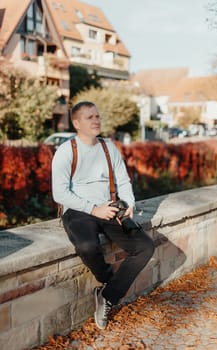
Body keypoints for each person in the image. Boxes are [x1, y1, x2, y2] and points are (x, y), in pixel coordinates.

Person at [52, 101, 155, 329]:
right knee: (88, 246)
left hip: (109, 208)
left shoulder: (108, 147)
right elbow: (59, 192)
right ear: (77, 123)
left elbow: (123, 180)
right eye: (89, 117)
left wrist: (128, 203)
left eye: (97, 116)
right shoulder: (66, 150)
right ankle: (109, 280)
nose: (96, 120)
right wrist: (92, 209)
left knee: (145, 247)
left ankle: (107, 296)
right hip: (79, 210)